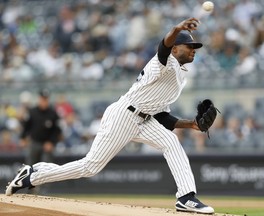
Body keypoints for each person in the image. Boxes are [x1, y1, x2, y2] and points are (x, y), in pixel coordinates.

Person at [6, 17, 214, 214]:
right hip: (124, 115)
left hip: (145, 118)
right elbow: (163, 46)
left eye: (195, 47)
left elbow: (161, 116)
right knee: (90, 167)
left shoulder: (179, 74)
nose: (194, 50)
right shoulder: (164, 62)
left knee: (171, 142)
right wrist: (177, 29)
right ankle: (34, 176)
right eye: (190, 46)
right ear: (176, 48)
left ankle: (186, 197)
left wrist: (192, 124)